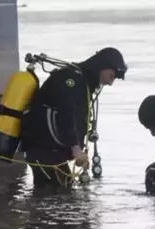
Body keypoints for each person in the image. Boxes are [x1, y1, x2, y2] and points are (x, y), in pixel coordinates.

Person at [20, 47, 127, 188]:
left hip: (51, 152)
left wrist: (78, 150)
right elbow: (66, 113)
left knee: (57, 196)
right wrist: (75, 148)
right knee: (57, 194)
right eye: (111, 76)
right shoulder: (71, 80)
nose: (110, 83)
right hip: (43, 150)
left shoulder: (81, 81)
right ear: (102, 66)